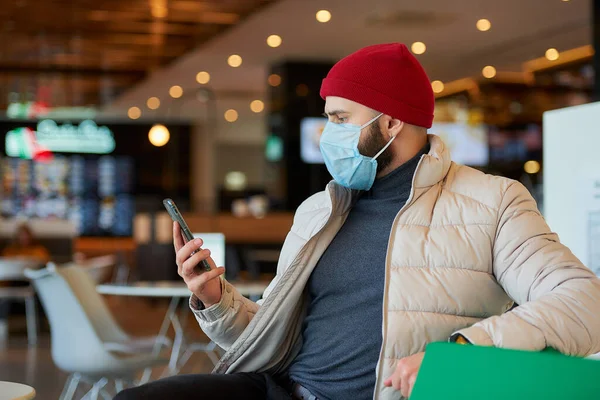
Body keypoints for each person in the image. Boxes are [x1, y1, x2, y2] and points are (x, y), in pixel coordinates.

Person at [116, 43, 600, 400]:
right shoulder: (318, 211)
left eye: (342, 118)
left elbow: (584, 303)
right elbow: (274, 336)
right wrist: (215, 300)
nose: (329, 134)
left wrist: (457, 353)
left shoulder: (492, 201)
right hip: (283, 389)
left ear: (391, 123)